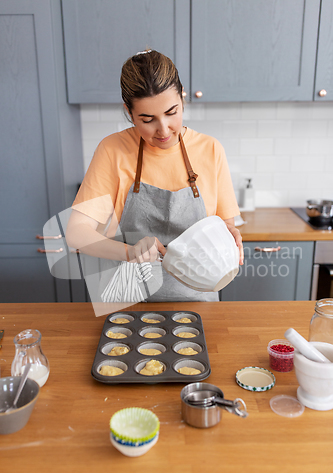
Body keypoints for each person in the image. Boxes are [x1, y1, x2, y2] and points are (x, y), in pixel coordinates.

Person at [66, 49, 243, 302]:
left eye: (172, 113)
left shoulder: (211, 150)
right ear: (129, 111)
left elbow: (223, 226)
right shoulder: (113, 150)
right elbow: (76, 233)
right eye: (147, 119)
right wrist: (130, 252)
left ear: (182, 98)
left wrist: (230, 234)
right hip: (128, 301)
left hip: (197, 299)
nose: (163, 130)